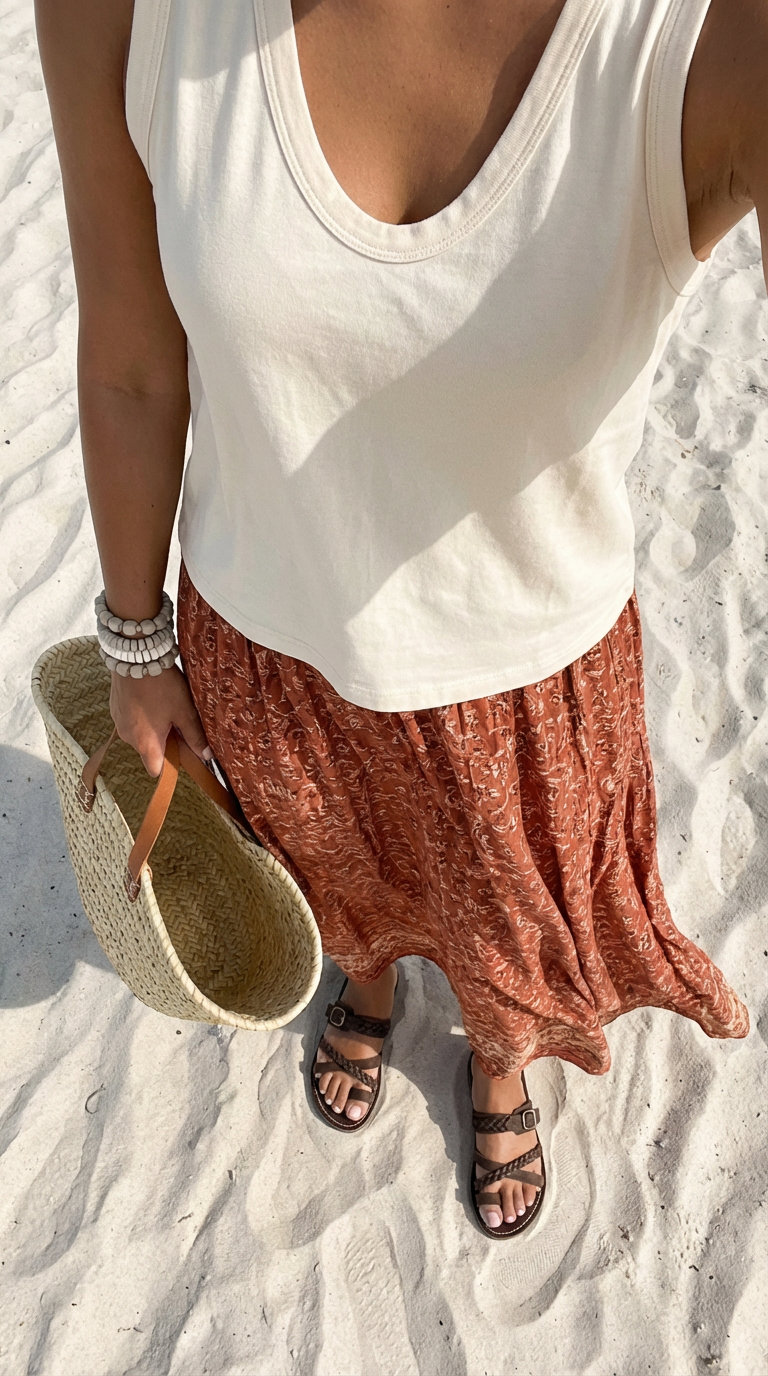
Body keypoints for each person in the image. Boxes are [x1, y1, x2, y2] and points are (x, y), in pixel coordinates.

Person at [36, 0, 762, 1240]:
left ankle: (495, 1061)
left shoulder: (694, 42)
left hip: (527, 700)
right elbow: (130, 361)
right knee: (335, 898)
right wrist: (136, 637)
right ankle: (364, 987)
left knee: (504, 955)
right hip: (264, 657)